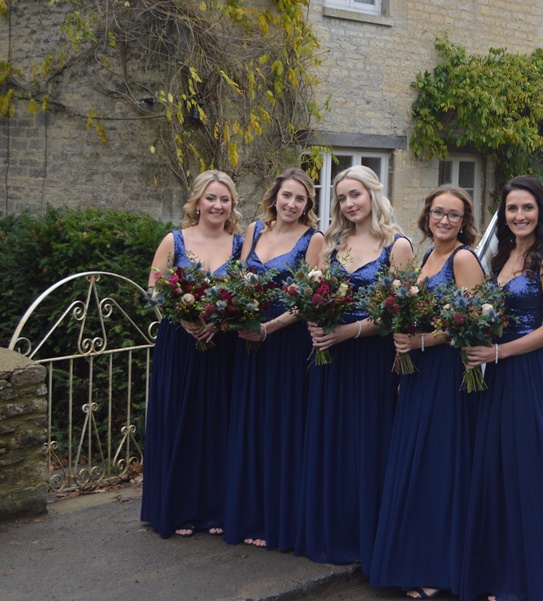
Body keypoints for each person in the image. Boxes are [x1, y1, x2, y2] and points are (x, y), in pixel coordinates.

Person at [369, 185, 485, 599]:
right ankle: (412, 559)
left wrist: (422, 342)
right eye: (439, 212)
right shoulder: (425, 257)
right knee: (416, 465)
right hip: (418, 375)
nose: (444, 220)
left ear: (464, 221)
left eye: (454, 215)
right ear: (427, 215)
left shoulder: (464, 258)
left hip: (446, 375)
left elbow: (471, 323)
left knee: (439, 466)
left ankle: (439, 569)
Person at [296, 165, 415, 566]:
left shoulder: (397, 246)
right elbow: (309, 293)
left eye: (355, 195)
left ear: (373, 194)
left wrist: (349, 332)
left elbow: (399, 314)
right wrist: (315, 319)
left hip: (370, 359)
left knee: (366, 440)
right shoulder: (331, 244)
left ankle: (367, 539)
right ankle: (330, 531)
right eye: (342, 198)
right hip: (329, 358)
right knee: (331, 439)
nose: (349, 204)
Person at [460, 175, 543, 601]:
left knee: (525, 476)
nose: (519, 215)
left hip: (526, 375)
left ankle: (527, 584)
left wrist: (499, 354)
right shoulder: (500, 255)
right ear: (503, 216)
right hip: (496, 376)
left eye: (526, 207)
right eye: (511, 209)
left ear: (539, 211)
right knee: (496, 473)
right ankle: (498, 577)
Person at [222, 168, 324, 550]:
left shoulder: (313, 239)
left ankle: (276, 520)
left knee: (281, 428)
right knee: (250, 425)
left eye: (300, 199)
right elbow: (238, 280)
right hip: (248, 343)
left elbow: (310, 299)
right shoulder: (253, 231)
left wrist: (270, 328)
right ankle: (247, 513)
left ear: (307, 205)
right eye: (287, 196)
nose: (291, 204)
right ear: (274, 196)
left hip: (287, 345)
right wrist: (237, 314)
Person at [141, 169, 245, 539]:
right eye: (211, 198)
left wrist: (224, 318)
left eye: (224, 199)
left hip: (224, 346)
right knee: (179, 420)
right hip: (181, 343)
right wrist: (180, 315)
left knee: (218, 424)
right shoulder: (175, 240)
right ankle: (177, 508)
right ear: (197, 202)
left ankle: (215, 508)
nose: (217, 205)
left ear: (232, 204)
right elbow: (154, 287)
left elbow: (245, 292)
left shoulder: (240, 244)